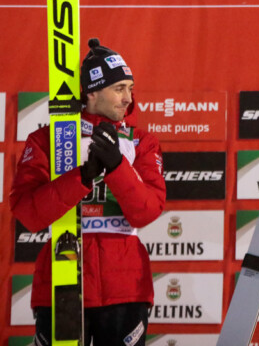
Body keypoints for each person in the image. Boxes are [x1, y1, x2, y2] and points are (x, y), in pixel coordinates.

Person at [11, 38, 166, 346]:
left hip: (125, 286)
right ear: (92, 92)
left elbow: (147, 211)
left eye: (130, 88)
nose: (128, 99)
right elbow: (28, 214)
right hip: (61, 281)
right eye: (119, 88)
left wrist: (117, 167)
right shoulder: (46, 140)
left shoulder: (141, 142)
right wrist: (82, 176)